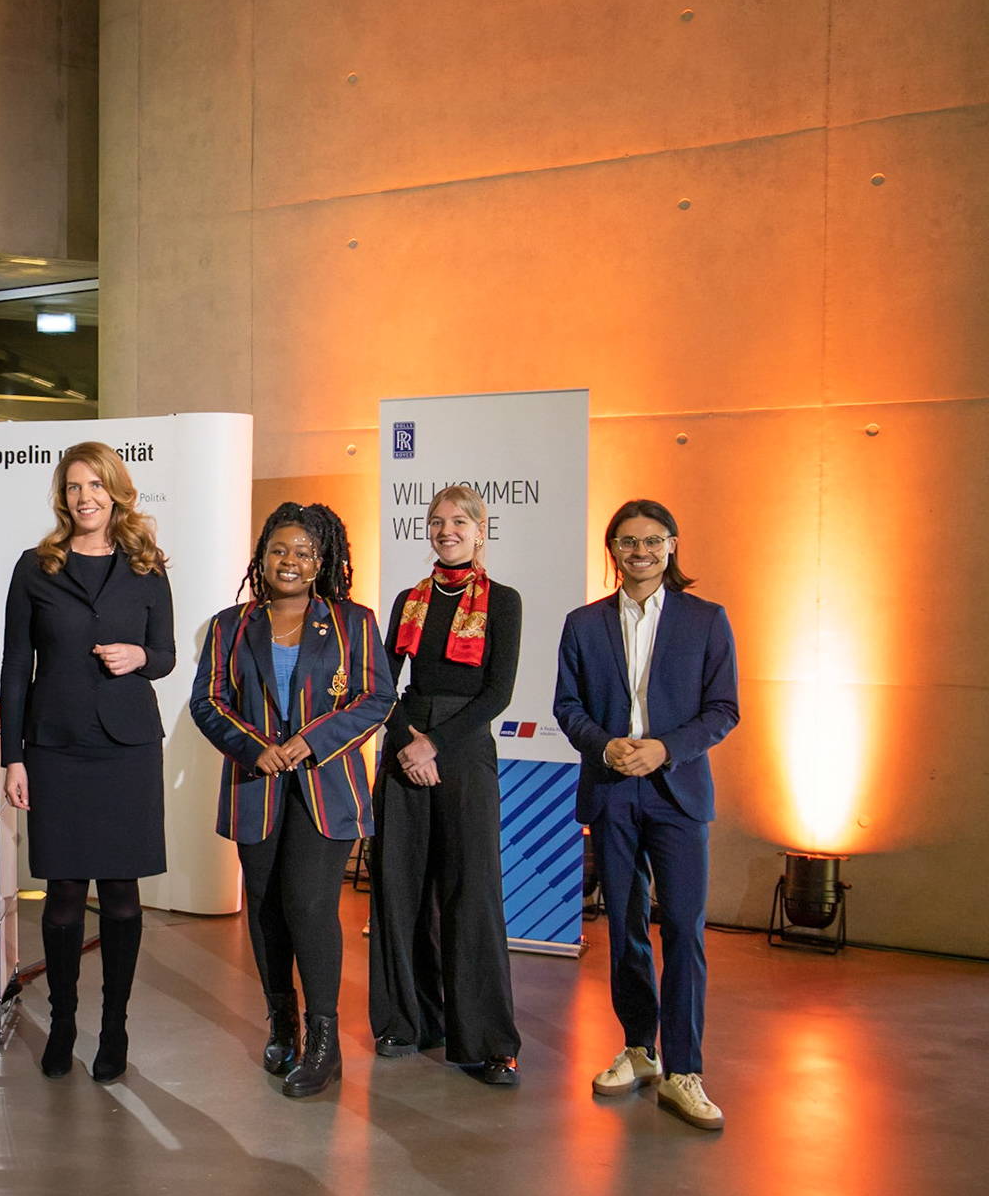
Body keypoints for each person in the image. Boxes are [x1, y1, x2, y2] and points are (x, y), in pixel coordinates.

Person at [190, 503, 394, 1097]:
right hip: (256, 786)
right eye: (279, 550)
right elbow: (208, 702)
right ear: (261, 557)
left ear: (321, 561)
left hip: (326, 787)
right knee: (264, 909)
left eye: (304, 552)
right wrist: (254, 748)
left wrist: (311, 741)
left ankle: (325, 1042)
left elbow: (376, 698)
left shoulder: (353, 621)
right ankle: (282, 1025)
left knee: (308, 904)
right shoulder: (230, 625)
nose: (290, 561)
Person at [555, 499, 739, 1130]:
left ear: (672, 545)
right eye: (628, 541)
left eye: (653, 540)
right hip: (612, 790)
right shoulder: (583, 623)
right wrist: (605, 745)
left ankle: (685, 1071)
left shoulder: (706, 620)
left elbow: (723, 709)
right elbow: (567, 706)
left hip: (677, 792)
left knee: (683, 928)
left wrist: (665, 748)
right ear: (613, 549)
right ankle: (640, 1049)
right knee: (626, 927)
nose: (641, 552)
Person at [0, 441, 175, 1084]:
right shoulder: (35, 566)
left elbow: (165, 653)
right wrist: (13, 758)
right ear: (62, 496)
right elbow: (15, 666)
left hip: (127, 749)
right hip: (57, 746)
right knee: (64, 896)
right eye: (74, 486)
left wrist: (140, 658)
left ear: (116, 492)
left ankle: (115, 1027)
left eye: (96, 485)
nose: (85, 497)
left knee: (123, 897)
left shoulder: (147, 567)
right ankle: (64, 1022)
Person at [368, 484, 524, 1086]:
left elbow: (498, 693)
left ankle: (486, 1042)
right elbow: (382, 683)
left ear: (481, 531)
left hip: (463, 745)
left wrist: (434, 744)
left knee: (471, 891)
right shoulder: (408, 600)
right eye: (437, 521)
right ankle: (407, 1022)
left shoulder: (503, 601)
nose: (446, 530)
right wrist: (408, 741)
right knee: (399, 885)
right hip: (405, 740)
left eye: (460, 521)